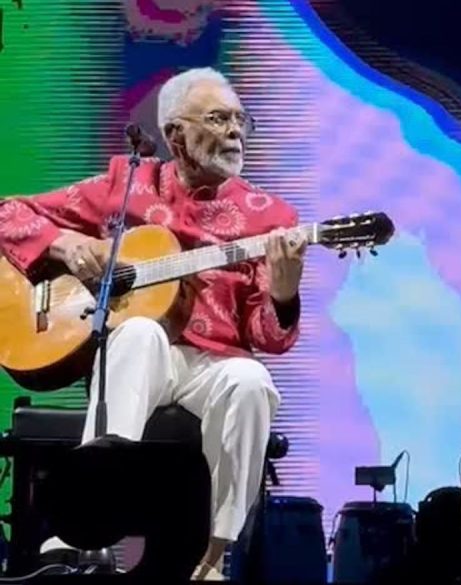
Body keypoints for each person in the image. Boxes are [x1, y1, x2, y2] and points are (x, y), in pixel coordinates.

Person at [0, 67, 307, 581]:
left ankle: (214, 556)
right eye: (218, 118)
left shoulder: (270, 217)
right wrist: (65, 244)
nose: (236, 130)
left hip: (215, 365)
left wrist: (283, 293)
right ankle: (88, 524)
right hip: (143, 356)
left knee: (253, 381)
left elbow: (267, 337)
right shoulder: (126, 186)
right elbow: (8, 214)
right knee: (140, 332)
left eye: (241, 119)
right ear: (175, 135)